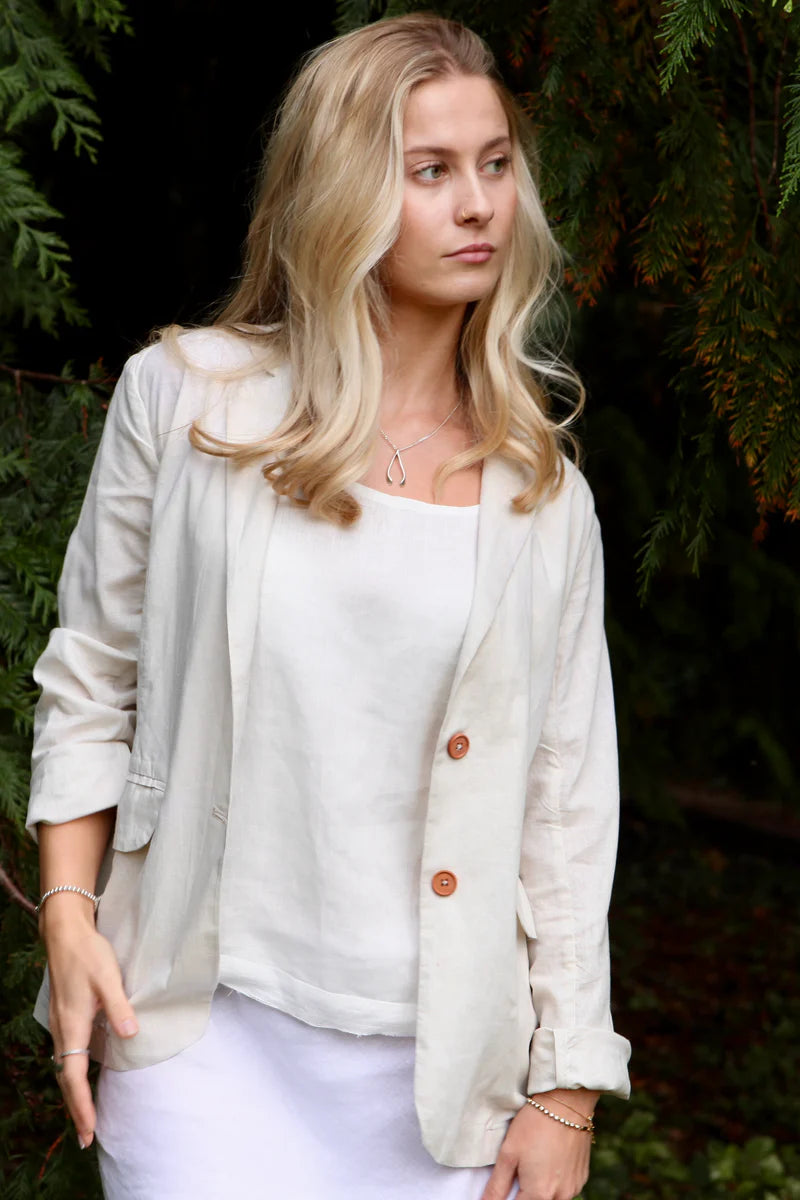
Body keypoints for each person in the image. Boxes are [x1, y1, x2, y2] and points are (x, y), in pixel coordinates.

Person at [26, 13, 632, 1200]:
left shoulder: (541, 495)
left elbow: (564, 807)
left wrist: (565, 1084)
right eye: (431, 171)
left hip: (442, 1079)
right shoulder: (186, 403)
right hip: (199, 1038)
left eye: (495, 164)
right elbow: (91, 674)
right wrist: (67, 912)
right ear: (341, 190)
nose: (478, 207)